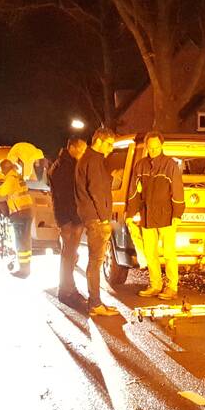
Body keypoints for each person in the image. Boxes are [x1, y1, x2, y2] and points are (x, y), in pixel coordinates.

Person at [126, 132, 185, 300]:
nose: (153, 150)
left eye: (156, 147)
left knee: (169, 253)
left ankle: (172, 287)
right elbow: (133, 191)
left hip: (167, 215)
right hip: (147, 215)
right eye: (150, 147)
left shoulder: (170, 165)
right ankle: (155, 284)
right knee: (150, 252)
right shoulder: (140, 165)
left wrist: (178, 213)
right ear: (146, 146)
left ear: (161, 145)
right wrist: (131, 212)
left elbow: (178, 191)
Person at [74, 128, 119, 317]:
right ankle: (95, 304)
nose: (110, 149)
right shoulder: (94, 159)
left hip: (91, 216)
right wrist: (104, 218)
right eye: (109, 144)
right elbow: (97, 191)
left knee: (95, 261)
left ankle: (96, 302)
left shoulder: (87, 159)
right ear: (99, 141)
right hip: (96, 218)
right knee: (95, 262)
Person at [48, 137, 88, 302]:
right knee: (69, 255)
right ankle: (67, 290)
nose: (83, 153)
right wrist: (76, 218)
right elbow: (66, 197)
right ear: (72, 148)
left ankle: (67, 289)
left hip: (67, 218)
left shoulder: (61, 165)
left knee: (69, 255)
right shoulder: (65, 167)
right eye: (82, 150)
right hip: (69, 219)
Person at [0, 159, 34, 277]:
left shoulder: (11, 178)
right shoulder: (18, 176)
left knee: (20, 242)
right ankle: (26, 268)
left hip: (19, 213)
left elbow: (1, 192)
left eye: (2, 170)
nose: (2, 173)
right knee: (25, 241)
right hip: (26, 211)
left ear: (5, 168)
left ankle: (23, 271)